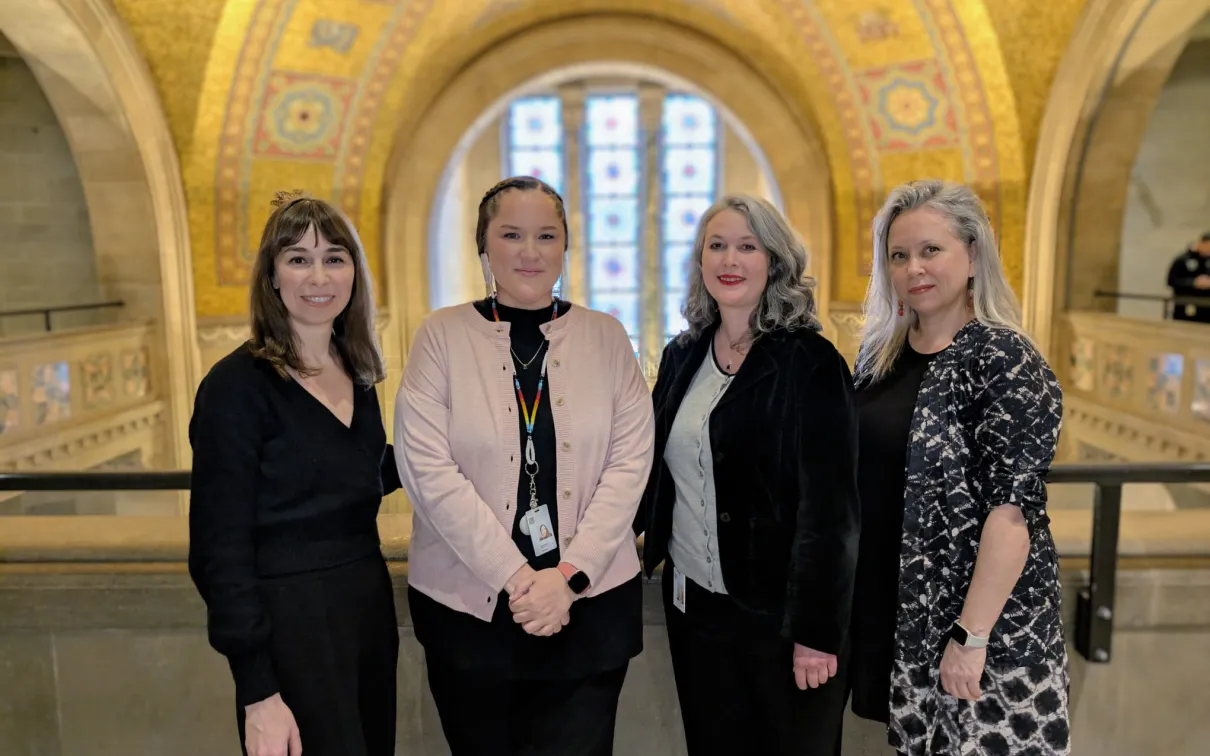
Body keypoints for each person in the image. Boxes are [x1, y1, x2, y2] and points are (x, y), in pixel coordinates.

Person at [394, 176, 654, 756]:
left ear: (565, 245)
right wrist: (519, 579)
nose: (530, 252)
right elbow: (427, 471)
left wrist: (568, 578)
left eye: (546, 235)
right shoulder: (440, 337)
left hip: (589, 610)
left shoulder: (608, 338)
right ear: (483, 245)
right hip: (469, 614)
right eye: (511, 234)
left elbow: (630, 466)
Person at [849, 179, 1069, 755]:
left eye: (931, 250)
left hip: (983, 633)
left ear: (973, 255)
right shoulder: (879, 358)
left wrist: (971, 637)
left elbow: (1013, 515)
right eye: (899, 255)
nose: (914, 268)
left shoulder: (1003, 357)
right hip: (905, 619)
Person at [635, 194, 860, 755]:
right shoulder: (683, 355)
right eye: (716, 246)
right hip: (696, 611)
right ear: (700, 260)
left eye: (747, 246)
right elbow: (652, 469)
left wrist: (816, 632)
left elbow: (831, 512)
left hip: (782, 619)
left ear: (775, 261)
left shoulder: (811, 362)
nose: (729, 260)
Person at [188, 191, 401, 756]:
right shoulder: (235, 387)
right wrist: (258, 691)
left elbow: (356, 472)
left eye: (334, 258)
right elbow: (217, 551)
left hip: (366, 611)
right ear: (272, 276)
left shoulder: (357, 370)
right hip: (290, 627)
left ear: (354, 272)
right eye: (298, 259)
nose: (319, 276)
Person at [1166, 232, 1210, 322]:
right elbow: (1171, 281)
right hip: (1185, 306)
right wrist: (1193, 282)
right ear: (1201, 243)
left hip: (1206, 309)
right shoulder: (1182, 260)